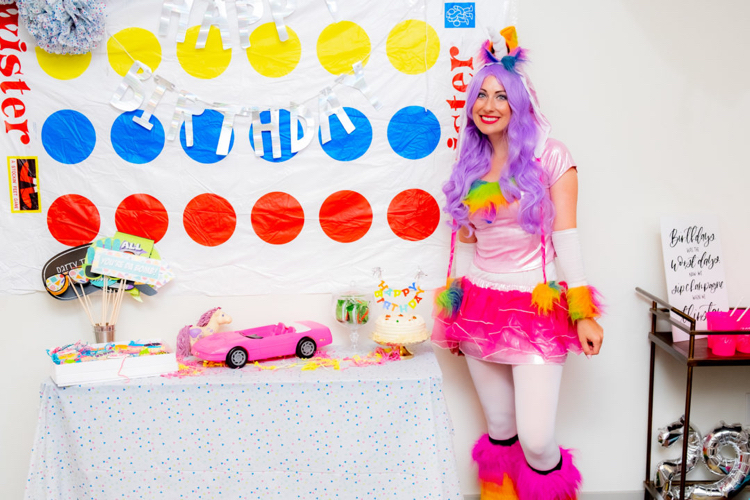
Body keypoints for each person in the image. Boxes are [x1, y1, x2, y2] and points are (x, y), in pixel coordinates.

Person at [433, 27, 603, 500]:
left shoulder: (551, 156)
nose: (488, 105)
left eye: (501, 96)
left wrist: (583, 312)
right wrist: (454, 313)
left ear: (520, 104)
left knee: (537, 439)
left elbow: (566, 236)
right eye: (481, 95)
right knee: (500, 427)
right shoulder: (470, 165)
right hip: (479, 306)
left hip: (535, 304)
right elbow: (468, 245)